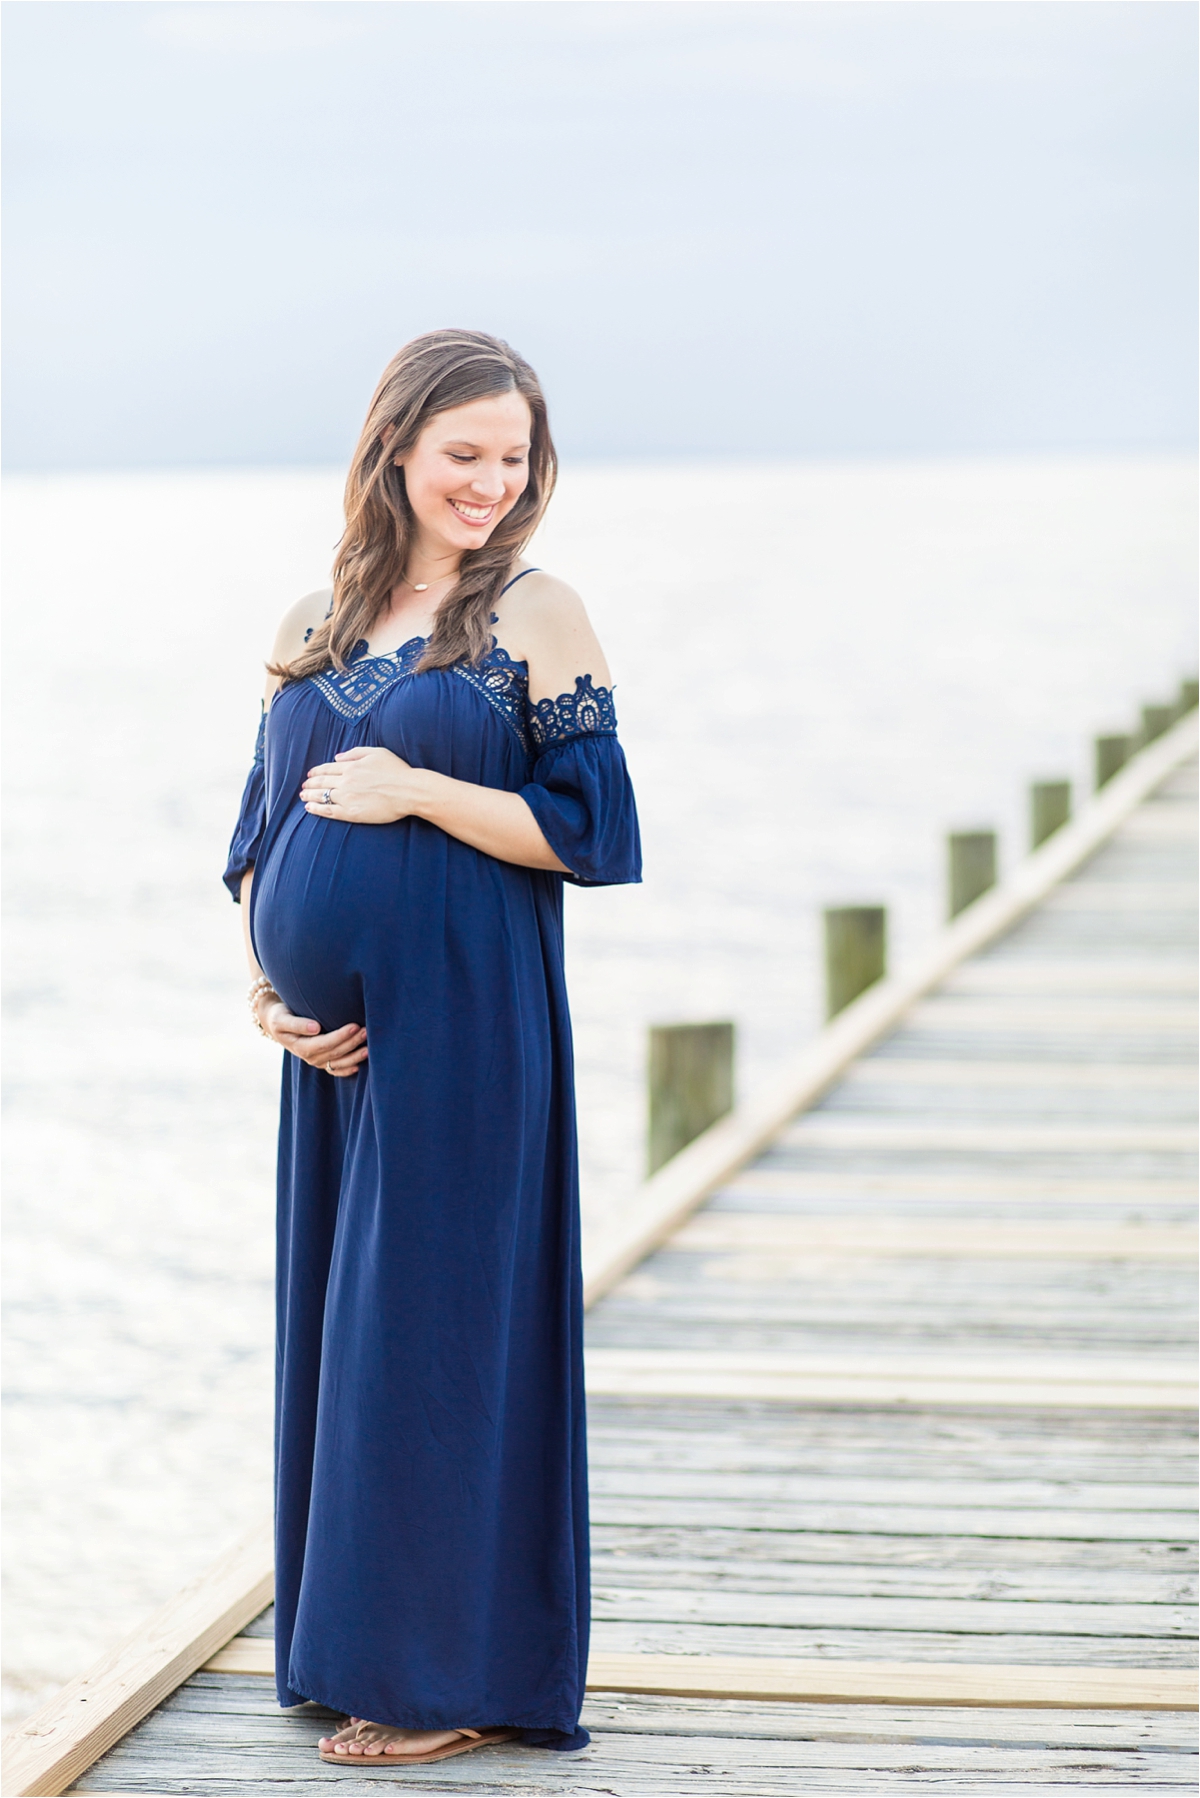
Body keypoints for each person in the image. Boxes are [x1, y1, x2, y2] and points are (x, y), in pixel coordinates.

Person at [223, 330, 641, 1767]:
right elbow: (255, 849)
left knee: (439, 1342)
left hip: (471, 1030)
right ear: (396, 447)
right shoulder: (315, 619)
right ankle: (354, 1648)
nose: (491, 480)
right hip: (334, 1059)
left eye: (514, 457)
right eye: (465, 452)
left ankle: (450, 1672)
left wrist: (416, 791)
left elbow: (591, 832)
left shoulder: (536, 610)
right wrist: (268, 1001)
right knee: (347, 1344)